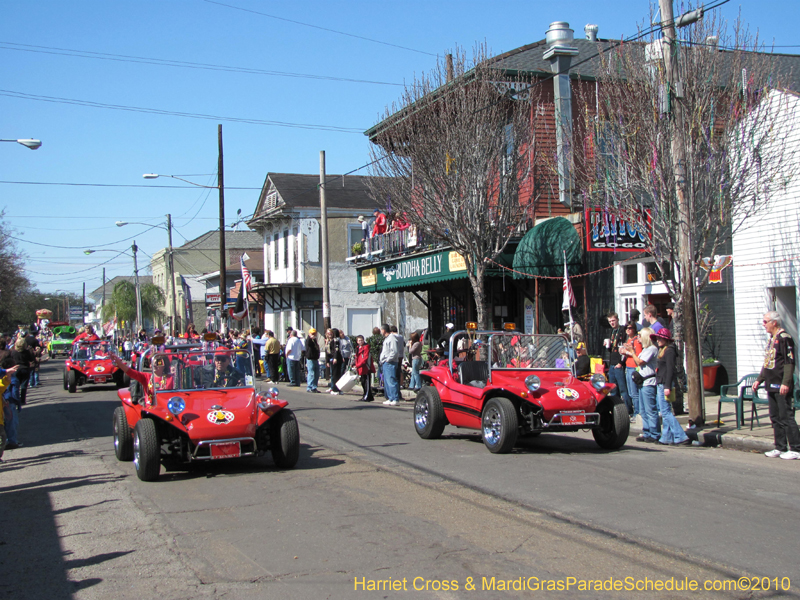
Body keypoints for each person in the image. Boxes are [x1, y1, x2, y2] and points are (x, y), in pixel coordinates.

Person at [754, 311, 800, 459]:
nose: (763, 324)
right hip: (770, 383)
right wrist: (759, 379)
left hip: (781, 384)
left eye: (765, 321)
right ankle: (780, 446)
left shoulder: (784, 338)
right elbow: (767, 362)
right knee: (775, 416)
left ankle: (796, 448)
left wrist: (786, 382)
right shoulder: (771, 339)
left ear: (774, 322)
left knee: (786, 415)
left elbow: (789, 363)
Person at [653, 328, 691, 446]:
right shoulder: (663, 350)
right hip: (661, 382)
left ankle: (680, 436)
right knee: (665, 411)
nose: (658, 340)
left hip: (665, 383)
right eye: (657, 338)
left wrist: (667, 386)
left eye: (660, 338)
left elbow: (670, 370)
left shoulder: (669, 351)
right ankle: (666, 437)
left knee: (665, 411)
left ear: (666, 339)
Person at [624, 327, 659, 442]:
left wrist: (632, 352)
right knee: (642, 410)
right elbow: (636, 361)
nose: (638, 338)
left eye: (640, 336)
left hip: (649, 382)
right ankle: (647, 431)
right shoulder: (645, 349)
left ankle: (655, 433)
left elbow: (640, 361)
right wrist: (631, 352)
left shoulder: (652, 349)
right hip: (642, 382)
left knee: (650, 409)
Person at [605, 312, 629, 407]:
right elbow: (612, 348)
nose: (612, 323)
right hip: (612, 362)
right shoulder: (612, 331)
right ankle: (617, 408)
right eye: (610, 321)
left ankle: (628, 410)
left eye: (613, 320)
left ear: (618, 320)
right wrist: (607, 346)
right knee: (613, 389)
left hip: (619, 363)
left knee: (623, 389)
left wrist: (621, 363)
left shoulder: (622, 330)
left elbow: (625, 348)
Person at [621, 322, 642, 420]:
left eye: (630, 328)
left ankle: (638, 413)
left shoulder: (636, 340)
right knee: (630, 392)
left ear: (634, 329)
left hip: (634, 367)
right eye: (626, 328)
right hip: (628, 366)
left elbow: (638, 354)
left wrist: (626, 352)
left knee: (634, 393)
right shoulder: (628, 339)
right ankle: (635, 411)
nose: (628, 330)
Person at [379, 324, 402, 405]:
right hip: (386, 363)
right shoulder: (387, 339)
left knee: (391, 380)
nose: (381, 331)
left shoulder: (392, 339)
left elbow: (394, 351)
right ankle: (390, 397)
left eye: (381, 329)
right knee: (387, 381)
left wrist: (388, 360)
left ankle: (395, 398)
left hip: (390, 362)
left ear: (384, 330)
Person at [354, 335, 375, 402]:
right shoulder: (358, 348)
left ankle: (367, 396)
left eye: (362, 340)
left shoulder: (366, 347)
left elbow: (365, 359)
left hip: (366, 367)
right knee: (363, 382)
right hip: (360, 368)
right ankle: (367, 395)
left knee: (366, 383)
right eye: (359, 340)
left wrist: (357, 365)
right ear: (357, 341)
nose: (361, 342)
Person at [327, 328, 343, 395]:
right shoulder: (331, 341)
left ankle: (335, 389)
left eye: (331, 333)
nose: (330, 334)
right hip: (334, 359)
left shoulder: (335, 340)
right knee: (335, 374)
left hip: (335, 359)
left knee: (335, 375)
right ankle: (337, 389)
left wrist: (335, 358)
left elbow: (336, 350)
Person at [305, 328, 321, 392]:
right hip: (310, 359)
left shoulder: (315, 341)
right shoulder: (309, 340)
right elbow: (308, 343)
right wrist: (310, 337)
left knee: (316, 373)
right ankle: (310, 387)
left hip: (315, 359)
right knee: (311, 373)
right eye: (312, 333)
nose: (313, 335)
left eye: (314, 333)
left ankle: (314, 387)